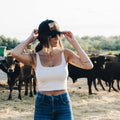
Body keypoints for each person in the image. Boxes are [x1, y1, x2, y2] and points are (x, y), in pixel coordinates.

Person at [11, 19, 93, 120]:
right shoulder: (34, 58)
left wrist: (74, 42)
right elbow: (15, 53)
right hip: (42, 103)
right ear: (44, 37)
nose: (57, 38)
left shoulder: (65, 54)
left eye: (58, 35)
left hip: (63, 102)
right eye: (53, 35)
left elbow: (89, 65)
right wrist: (30, 38)